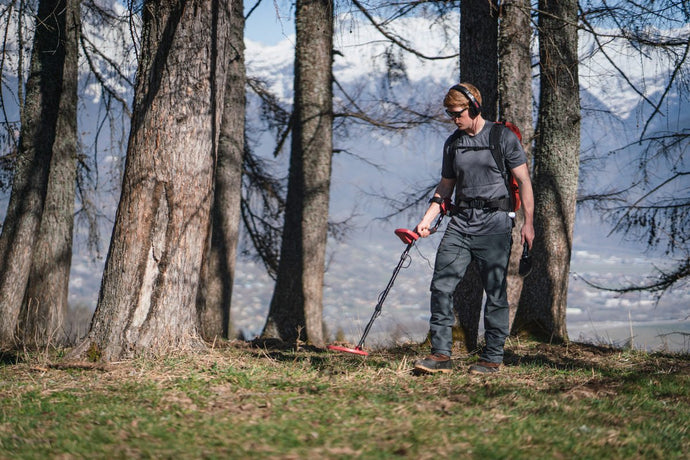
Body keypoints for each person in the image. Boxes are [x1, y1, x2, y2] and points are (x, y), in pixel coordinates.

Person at [413, 83, 534, 375]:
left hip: (495, 226)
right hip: (460, 225)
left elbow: (525, 181)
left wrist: (529, 224)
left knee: (495, 293)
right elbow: (445, 186)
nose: (455, 119)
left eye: (459, 113)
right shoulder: (453, 143)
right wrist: (427, 219)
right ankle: (441, 355)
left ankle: (492, 358)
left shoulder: (502, 137)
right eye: (450, 114)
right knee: (441, 286)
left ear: (475, 107)